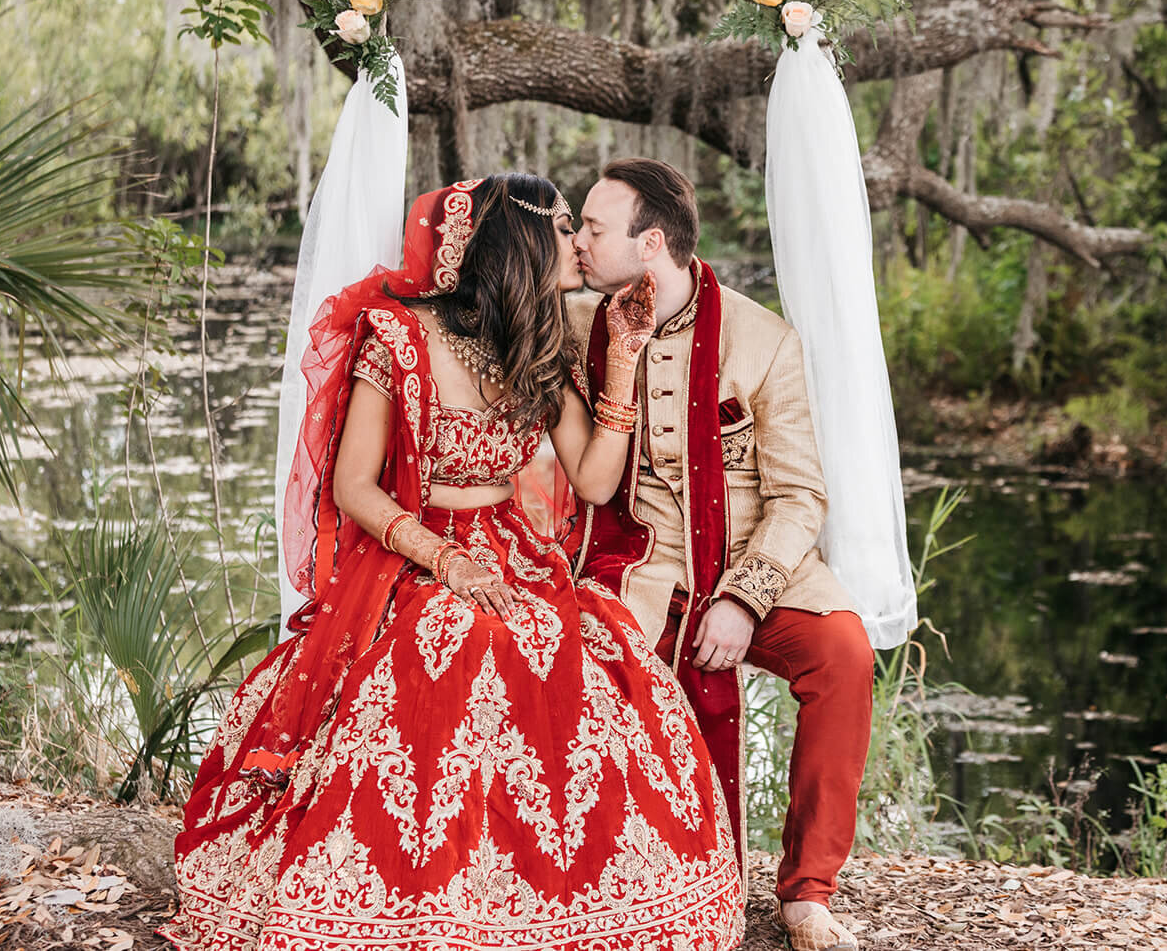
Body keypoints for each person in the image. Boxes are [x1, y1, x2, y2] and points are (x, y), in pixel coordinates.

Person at [160, 174, 744, 950]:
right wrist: (443, 559)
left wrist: (624, 361)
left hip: (512, 549)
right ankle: (424, 899)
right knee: (455, 643)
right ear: (523, 244)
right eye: (565, 229)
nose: (580, 245)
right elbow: (353, 485)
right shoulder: (400, 337)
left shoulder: (540, 345)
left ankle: (545, 900)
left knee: (580, 651)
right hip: (410, 549)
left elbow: (596, 479)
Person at [567, 158, 875, 951]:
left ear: (651, 244)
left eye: (594, 229)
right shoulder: (576, 325)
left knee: (843, 654)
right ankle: (632, 875)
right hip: (640, 567)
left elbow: (801, 495)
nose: (578, 243)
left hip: (751, 562)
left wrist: (743, 597)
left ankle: (807, 892)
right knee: (585, 662)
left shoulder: (763, 340)